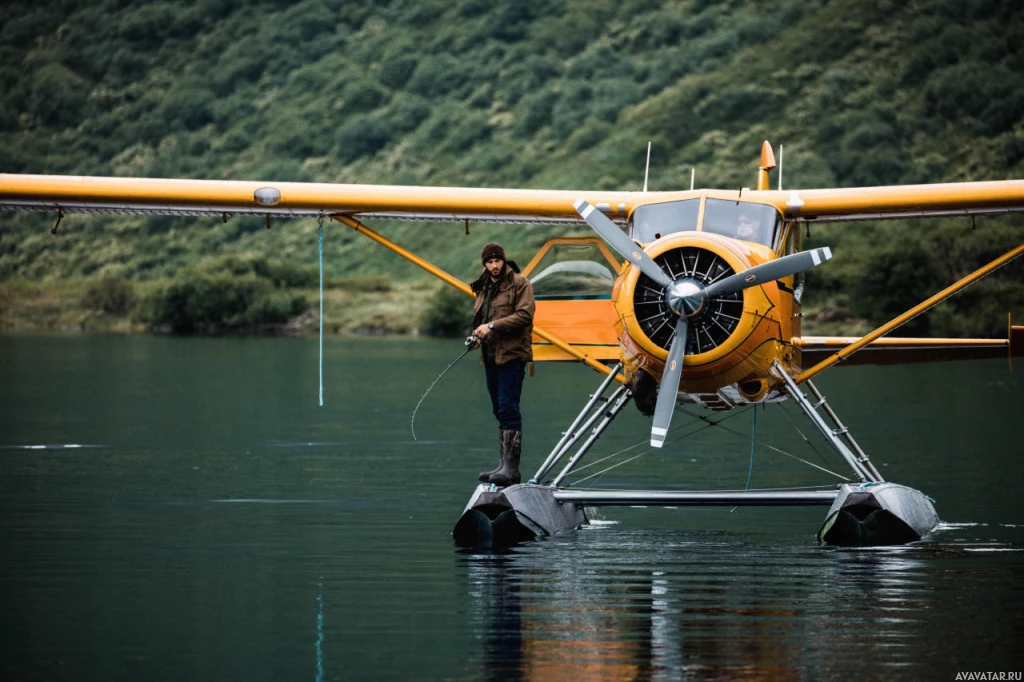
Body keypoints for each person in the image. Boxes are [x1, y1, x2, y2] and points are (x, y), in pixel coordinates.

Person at [469, 242, 535, 487]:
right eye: (490, 262)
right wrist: (477, 336)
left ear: (504, 261)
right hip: (489, 355)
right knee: (498, 408)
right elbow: (482, 319)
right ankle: (503, 466)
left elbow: (525, 315)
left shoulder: (520, 283)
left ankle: (512, 470)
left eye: (498, 261)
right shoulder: (483, 287)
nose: (494, 266)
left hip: (512, 355)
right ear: (484, 263)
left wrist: (492, 326)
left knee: (508, 407)